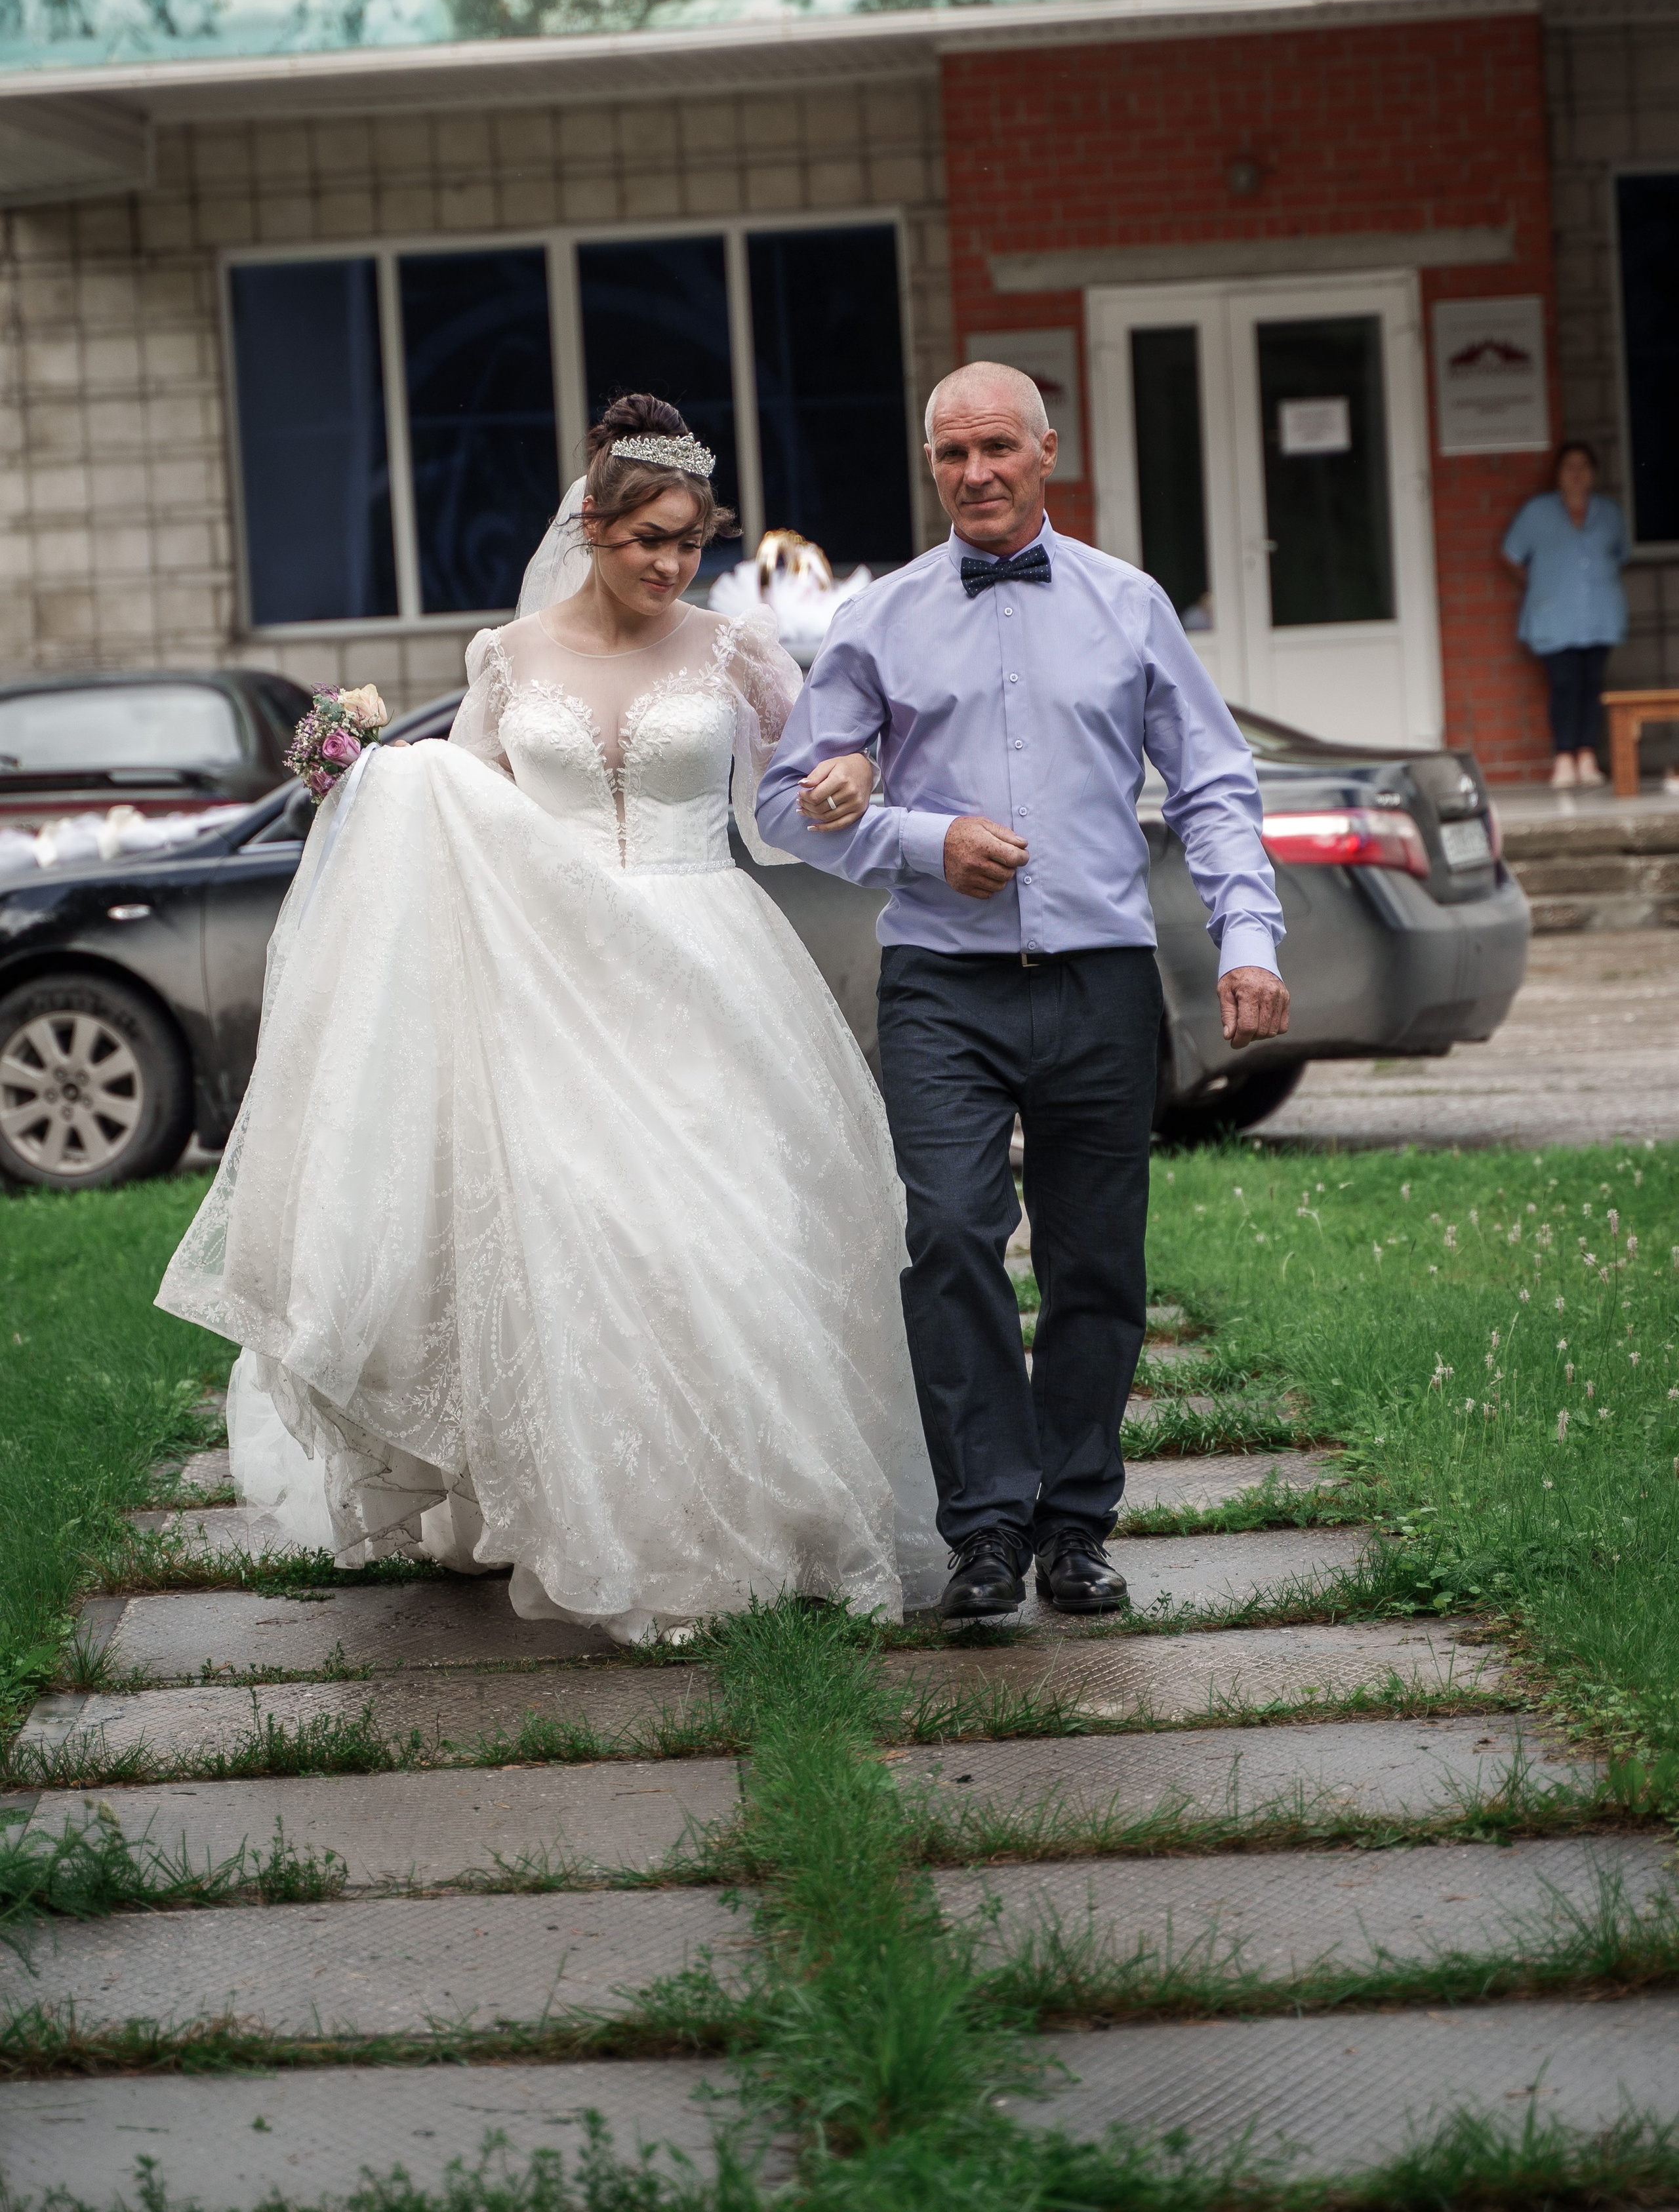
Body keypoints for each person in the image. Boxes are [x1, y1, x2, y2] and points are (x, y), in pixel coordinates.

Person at [157, 394, 941, 1643]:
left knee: (725, 1233)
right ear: (594, 525)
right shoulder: (507, 656)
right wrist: (367, 776)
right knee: (583, 1236)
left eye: (690, 542)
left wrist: (853, 778)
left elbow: (807, 783)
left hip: (709, 969)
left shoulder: (732, 652)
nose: (671, 565)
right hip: (556, 977)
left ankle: (767, 1506)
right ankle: (598, 1506)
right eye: (649, 540)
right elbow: (467, 808)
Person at [757, 360, 1289, 1627]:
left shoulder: (1130, 604)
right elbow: (791, 803)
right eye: (952, 454)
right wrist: (917, 837)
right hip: (942, 982)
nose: (977, 473)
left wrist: (1250, 939)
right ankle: (985, 1527)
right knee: (947, 1238)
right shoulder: (880, 620)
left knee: (1099, 1262)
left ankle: (1076, 1528)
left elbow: (1213, 784)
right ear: (932, 465)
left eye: (998, 447)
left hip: (1102, 980)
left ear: (1048, 452)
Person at [1501, 441, 1630, 790]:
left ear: (1593, 474)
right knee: (1565, 683)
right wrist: (1543, 584)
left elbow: (1620, 553)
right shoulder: (1536, 513)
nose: (1576, 473)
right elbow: (1511, 556)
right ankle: (1564, 757)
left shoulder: (1609, 512)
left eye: (1584, 466)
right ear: (1558, 475)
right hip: (1553, 617)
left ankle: (1587, 756)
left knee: (1592, 684)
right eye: (1569, 467)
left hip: (1599, 614)